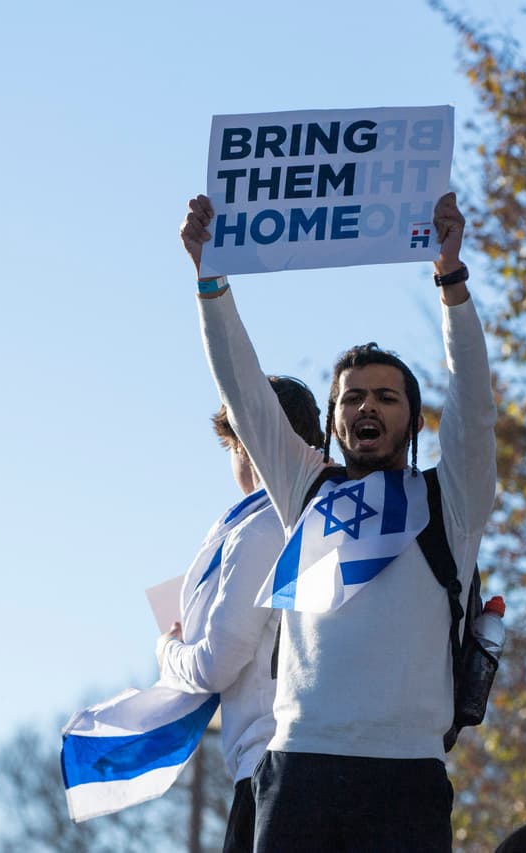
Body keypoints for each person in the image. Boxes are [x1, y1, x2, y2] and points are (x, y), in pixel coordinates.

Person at [180, 191, 497, 851]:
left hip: (407, 773)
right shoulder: (303, 488)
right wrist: (210, 280)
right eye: (351, 397)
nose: (366, 407)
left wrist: (451, 282)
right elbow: (244, 391)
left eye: (386, 396)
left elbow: (473, 397)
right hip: (298, 767)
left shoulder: (451, 499)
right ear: (332, 420)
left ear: (413, 417)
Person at [156, 378, 325, 853]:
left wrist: (169, 652)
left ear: (246, 447)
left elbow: (217, 662)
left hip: (270, 772)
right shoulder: (329, 516)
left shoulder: (262, 528)